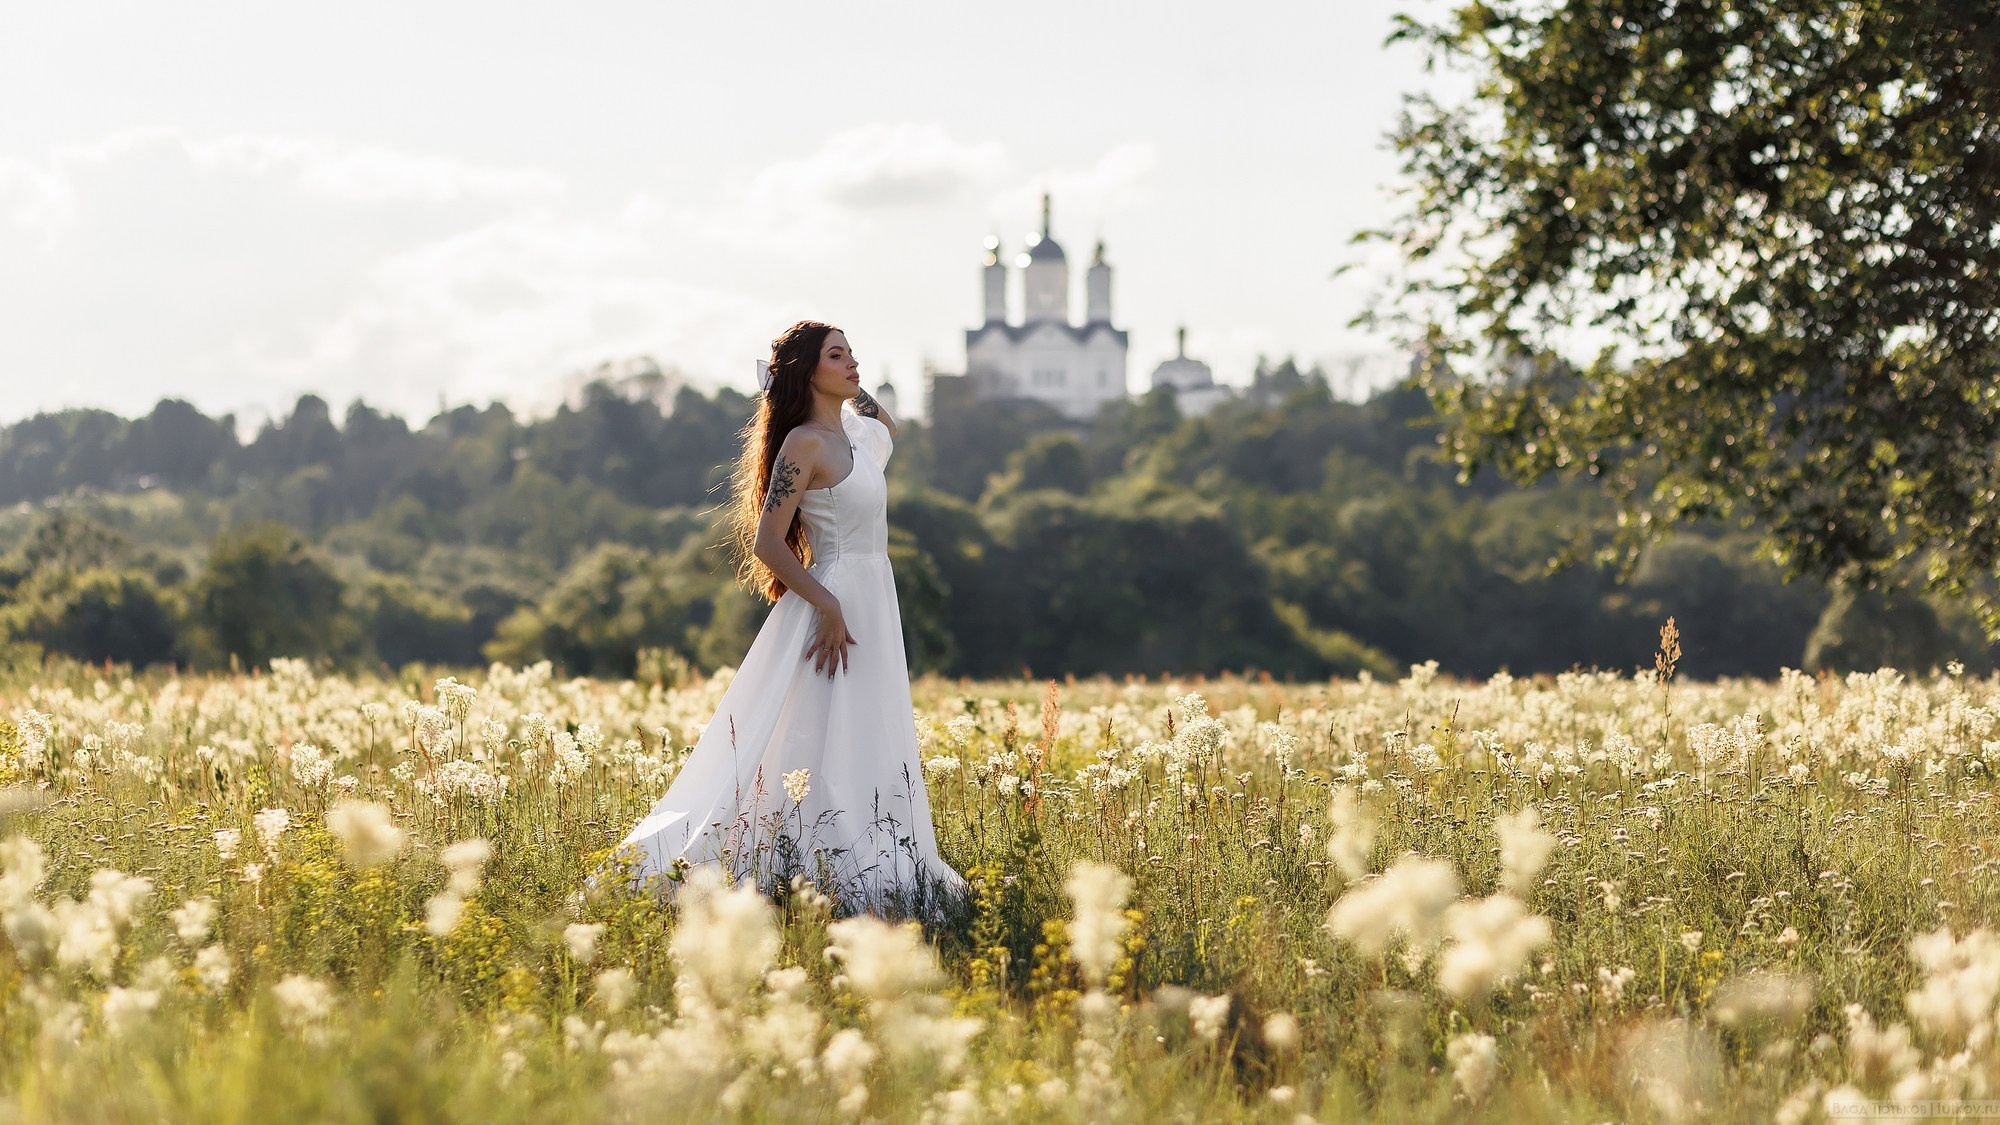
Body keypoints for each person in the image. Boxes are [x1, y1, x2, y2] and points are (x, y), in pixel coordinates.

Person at [612, 320, 965, 915]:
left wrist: (855, 389)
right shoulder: (804, 443)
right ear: (808, 372)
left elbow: (889, 426)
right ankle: (804, 860)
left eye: (853, 353)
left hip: (875, 596)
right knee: (814, 727)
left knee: (869, 723)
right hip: (833, 597)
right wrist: (826, 605)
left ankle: (872, 851)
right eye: (837, 356)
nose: (853, 364)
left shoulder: (857, 436)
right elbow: (768, 543)